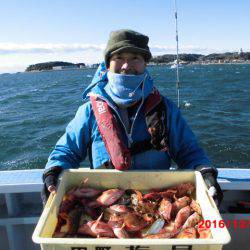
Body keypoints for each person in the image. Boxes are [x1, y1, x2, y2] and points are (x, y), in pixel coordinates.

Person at [42, 29, 223, 206]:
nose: (126, 66)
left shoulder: (166, 109)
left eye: (135, 58)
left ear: (145, 64)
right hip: (104, 204)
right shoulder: (89, 111)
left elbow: (188, 151)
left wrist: (204, 171)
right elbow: (68, 150)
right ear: (107, 64)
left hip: (158, 202)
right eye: (119, 58)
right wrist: (53, 170)